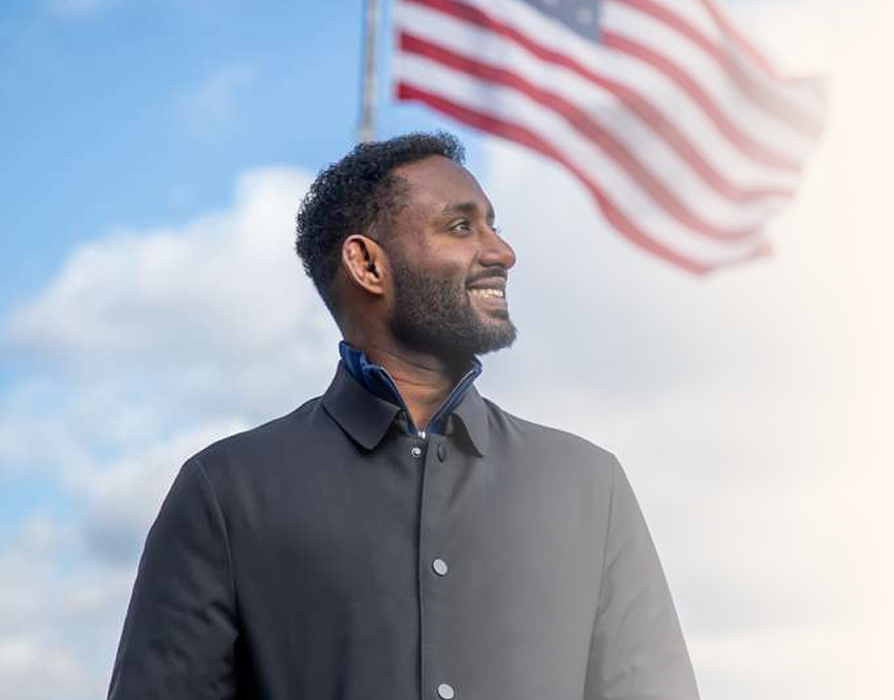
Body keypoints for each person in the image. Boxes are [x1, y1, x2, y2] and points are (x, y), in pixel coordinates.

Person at [107, 132, 700, 700]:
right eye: (461, 226)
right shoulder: (226, 492)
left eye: (494, 226)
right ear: (367, 265)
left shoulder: (588, 484)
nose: (501, 251)